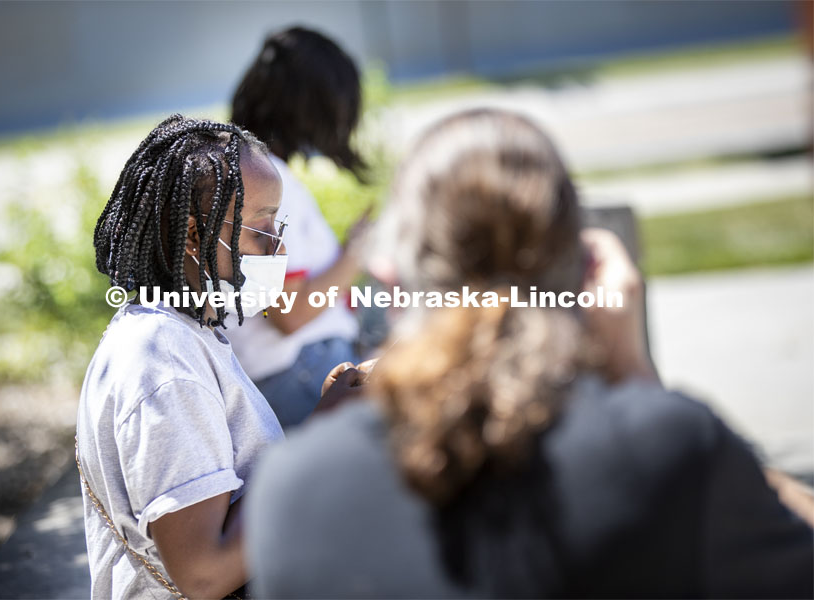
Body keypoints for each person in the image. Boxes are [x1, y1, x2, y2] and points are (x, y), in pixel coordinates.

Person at [245, 109, 814, 598]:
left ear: (389, 280)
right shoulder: (669, 448)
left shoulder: (290, 493)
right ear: (587, 270)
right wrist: (631, 371)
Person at [76, 115, 359, 599]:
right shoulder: (162, 363)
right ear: (192, 235)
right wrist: (323, 430)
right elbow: (204, 574)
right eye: (260, 227)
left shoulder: (186, 334)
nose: (280, 247)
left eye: (279, 224)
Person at [226, 26, 371, 428]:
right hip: (299, 373)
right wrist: (357, 250)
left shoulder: (250, 169)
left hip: (292, 371)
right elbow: (289, 313)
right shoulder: (271, 182)